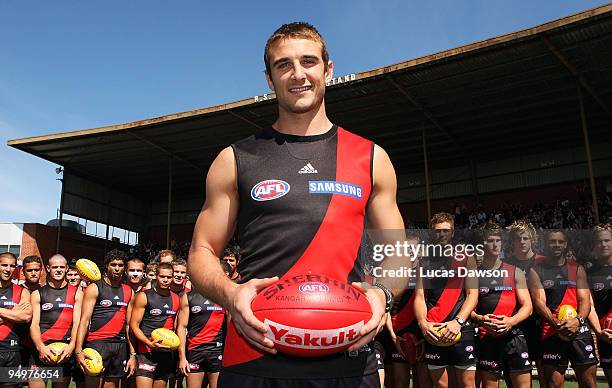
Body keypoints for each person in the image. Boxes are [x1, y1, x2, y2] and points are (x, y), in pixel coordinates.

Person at [187, 22, 406, 387]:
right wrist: (230, 293)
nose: (297, 74)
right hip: (254, 354)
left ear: (328, 69)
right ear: (269, 79)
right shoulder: (235, 158)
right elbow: (202, 250)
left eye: (308, 61)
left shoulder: (371, 157)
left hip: (347, 356)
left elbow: (398, 251)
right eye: (283, 65)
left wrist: (382, 294)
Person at [414, 212, 478, 388]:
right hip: (434, 330)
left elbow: (473, 294)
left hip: (461, 329)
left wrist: (458, 322)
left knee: (467, 385)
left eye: (445, 231)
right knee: (442, 386)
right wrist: (422, 323)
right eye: (437, 231)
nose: (441, 235)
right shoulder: (424, 260)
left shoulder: (466, 257)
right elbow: (420, 296)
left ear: (453, 232)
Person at [528, 230, 597, 388]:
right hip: (551, 330)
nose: (556, 245)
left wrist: (577, 321)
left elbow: (585, 300)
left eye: (560, 242)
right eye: (552, 241)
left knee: (589, 384)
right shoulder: (536, 270)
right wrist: (556, 323)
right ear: (546, 244)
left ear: (565, 244)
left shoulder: (577, 268)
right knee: (554, 385)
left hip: (578, 330)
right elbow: (539, 302)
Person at [471, 222, 532, 388]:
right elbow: (469, 310)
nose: (495, 244)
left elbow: (528, 306)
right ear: (482, 244)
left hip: (514, 336)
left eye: (498, 240)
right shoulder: (474, 274)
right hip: (487, 337)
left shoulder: (515, 271)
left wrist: (510, 322)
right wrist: (481, 319)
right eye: (490, 240)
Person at [75, 249, 136, 388]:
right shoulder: (95, 288)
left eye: (120, 265)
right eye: (113, 264)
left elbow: (128, 326)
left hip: (119, 345)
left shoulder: (129, 291)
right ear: (107, 266)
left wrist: (133, 354)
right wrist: (78, 350)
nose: (117, 268)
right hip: (97, 344)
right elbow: (84, 321)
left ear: (124, 268)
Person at [29, 254, 84, 388]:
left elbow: (78, 323)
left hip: (64, 351)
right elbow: (34, 325)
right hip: (41, 351)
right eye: (55, 267)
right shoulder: (37, 293)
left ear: (66, 269)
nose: (58, 270)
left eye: (61, 267)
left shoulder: (77, 292)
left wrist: (71, 346)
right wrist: (40, 347)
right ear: (48, 268)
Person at [129, 262, 179, 388]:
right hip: (146, 353)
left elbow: (177, 328)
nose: (166, 280)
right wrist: (149, 343)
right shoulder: (144, 296)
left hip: (166, 354)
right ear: (156, 276)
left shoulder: (176, 299)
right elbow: (134, 326)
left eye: (169, 277)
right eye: (162, 276)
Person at [177, 277, 225, 388]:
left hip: (217, 351)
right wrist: (182, 358)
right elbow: (181, 327)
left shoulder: (222, 296)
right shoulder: (188, 296)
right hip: (195, 351)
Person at [0, 252, 32, 386]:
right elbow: (19, 315)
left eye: (12, 266)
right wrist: (13, 313)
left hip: (12, 351)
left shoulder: (22, 291)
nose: (8, 269)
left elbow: (25, 316)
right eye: (4, 265)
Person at [586, 224, 612, 384]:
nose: (603, 245)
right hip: (606, 337)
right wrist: (600, 332)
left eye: (607, 240)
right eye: (599, 241)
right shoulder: (589, 273)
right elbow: (590, 306)